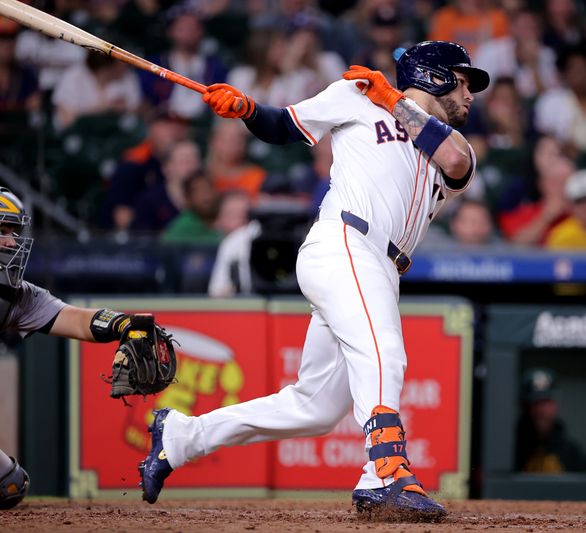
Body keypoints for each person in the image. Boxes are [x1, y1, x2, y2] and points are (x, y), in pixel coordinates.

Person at [137, 40, 489, 521]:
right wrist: (244, 109)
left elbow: (453, 163)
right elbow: (282, 125)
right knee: (385, 351)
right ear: (435, 75)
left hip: (381, 268)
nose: (470, 93)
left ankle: (181, 437)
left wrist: (394, 101)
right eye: (464, 81)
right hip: (344, 242)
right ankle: (385, 472)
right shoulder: (358, 95)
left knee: (316, 407)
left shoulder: (452, 141)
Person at [0, 187, 164, 510]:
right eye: (1, 231)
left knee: (10, 484)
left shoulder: (16, 296)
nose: (11, 242)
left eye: (13, 232)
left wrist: (124, 325)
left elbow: (73, 319)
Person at [515, 368, 584, 473]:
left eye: (546, 402)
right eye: (535, 403)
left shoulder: (572, 453)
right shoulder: (510, 450)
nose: (541, 410)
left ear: (555, 405)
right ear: (524, 407)